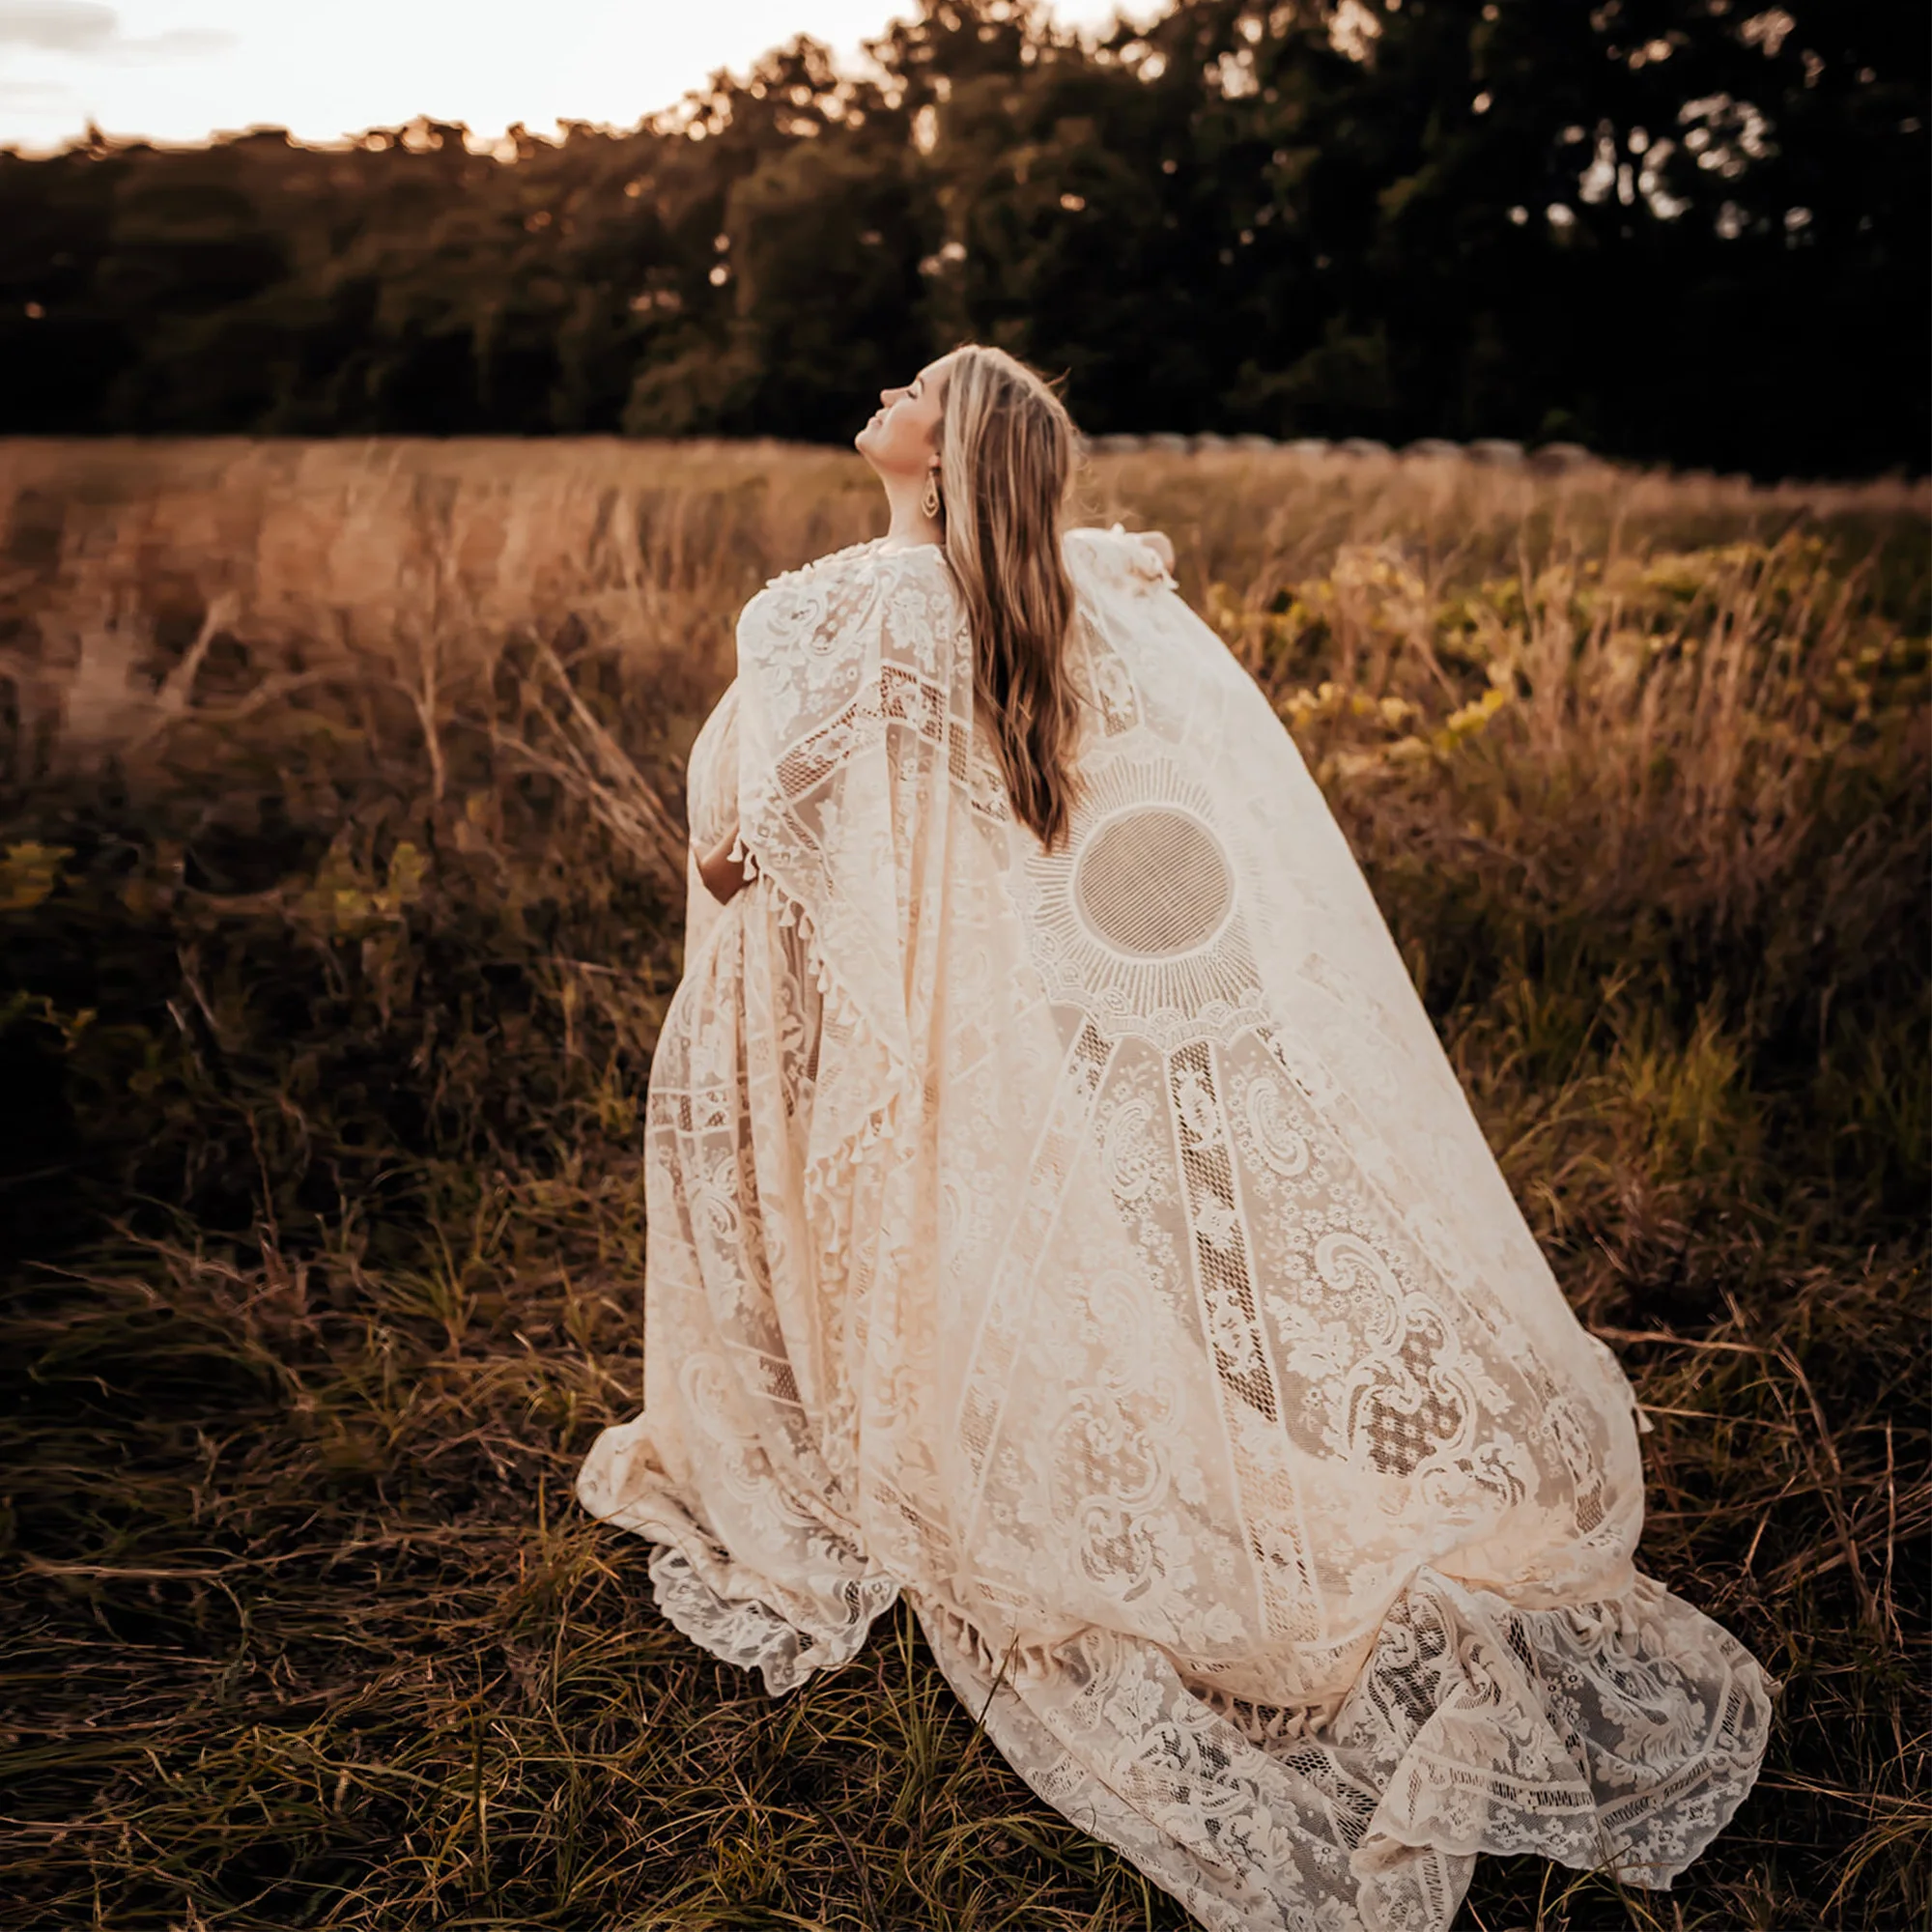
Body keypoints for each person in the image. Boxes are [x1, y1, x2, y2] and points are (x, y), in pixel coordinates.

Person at [576, 344, 1772, 1932]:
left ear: (951, 450)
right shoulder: (1031, 599)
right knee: (940, 1233)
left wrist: (734, 823)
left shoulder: (861, 613)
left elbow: (741, 858)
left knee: (841, 1229)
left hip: (828, 995)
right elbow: (1049, 584)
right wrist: (1097, 558)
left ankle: (855, 1446)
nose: (888, 391)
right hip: (954, 1011)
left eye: (920, 386)